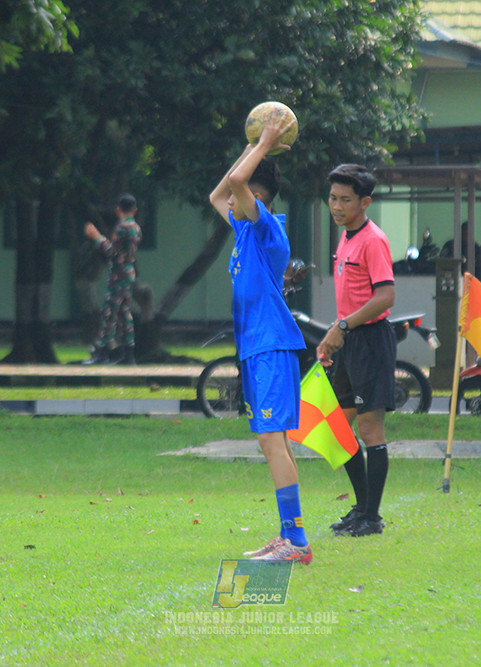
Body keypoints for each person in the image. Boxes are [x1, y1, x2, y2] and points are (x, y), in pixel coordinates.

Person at [208, 111, 311, 564]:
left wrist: (266, 142)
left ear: (255, 196)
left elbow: (235, 183)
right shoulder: (244, 227)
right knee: (273, 441)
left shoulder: (267, 227)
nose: (228, 201)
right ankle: (289, 534)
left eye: (240, 196)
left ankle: (297, 543)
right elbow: (219, 190)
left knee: (272, 440)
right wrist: (253, 142)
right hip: (254, 348)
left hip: (271, 344)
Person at [316, 164, 396, 538]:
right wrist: (336, 335)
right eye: (333, 198)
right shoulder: (345, 238)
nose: (336, 206)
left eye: (345, 199)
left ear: (365, 202)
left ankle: (371, 517)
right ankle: (362, 509)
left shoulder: (372, 239)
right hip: (349, 341)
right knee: (337, 425)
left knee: (369, 429)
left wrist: (343, 326)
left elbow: (385, 296)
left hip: (371, 341)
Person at [84, 194, 142, 365]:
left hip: (119, 274)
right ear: (135, 210)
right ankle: (128, 354)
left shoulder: (122, 228)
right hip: (129, 272)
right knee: (124, 312)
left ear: (118, 209)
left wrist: (97, 237)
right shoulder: (136, 228)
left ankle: (101, 352)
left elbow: (112, 252)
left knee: (109, 311)